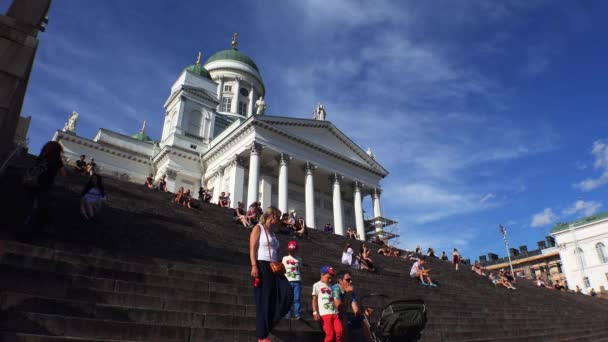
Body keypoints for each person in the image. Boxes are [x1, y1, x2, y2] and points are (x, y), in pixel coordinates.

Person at [249, 207, 292, 342]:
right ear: (271, 216)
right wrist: (254, 265)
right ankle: (262, 336)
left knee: (287, 293)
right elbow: (252, 248)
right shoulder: (258, 228)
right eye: (278, 217)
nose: (279, 220)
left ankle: (271, 322)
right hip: (262, 265)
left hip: (274, 267)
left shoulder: (272, 233)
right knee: (265, 299)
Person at [23, 141, 66, 235]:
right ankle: (29, 232)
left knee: (29, 207)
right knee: (39, 208)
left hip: (32, 184)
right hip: (45, 186)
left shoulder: (42, 157)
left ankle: (23, 228)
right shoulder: (56, 158)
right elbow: (63, 174)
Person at [312, 265, 341, 342]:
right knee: (330, 335)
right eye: (328, 277)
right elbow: (314, 300)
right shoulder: (317, 285)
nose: (330, 279)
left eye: (331, 277)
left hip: (335, 313)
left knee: (339, 332)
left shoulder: (331, 286)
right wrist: (315, 312)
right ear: (322, 274)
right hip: (325, 314)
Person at [282, 241, 302, 320]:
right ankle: (288, 313)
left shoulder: (299, 259)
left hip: (297, 280)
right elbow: (282, 268)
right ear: (288, 250)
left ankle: (297, 313)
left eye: (294, 249)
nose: (292, 251)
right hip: (288, 280)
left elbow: (300, 268)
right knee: (288, 297)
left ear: (296, 250)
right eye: (290, 250)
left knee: (297, 298)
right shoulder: (285, 258)